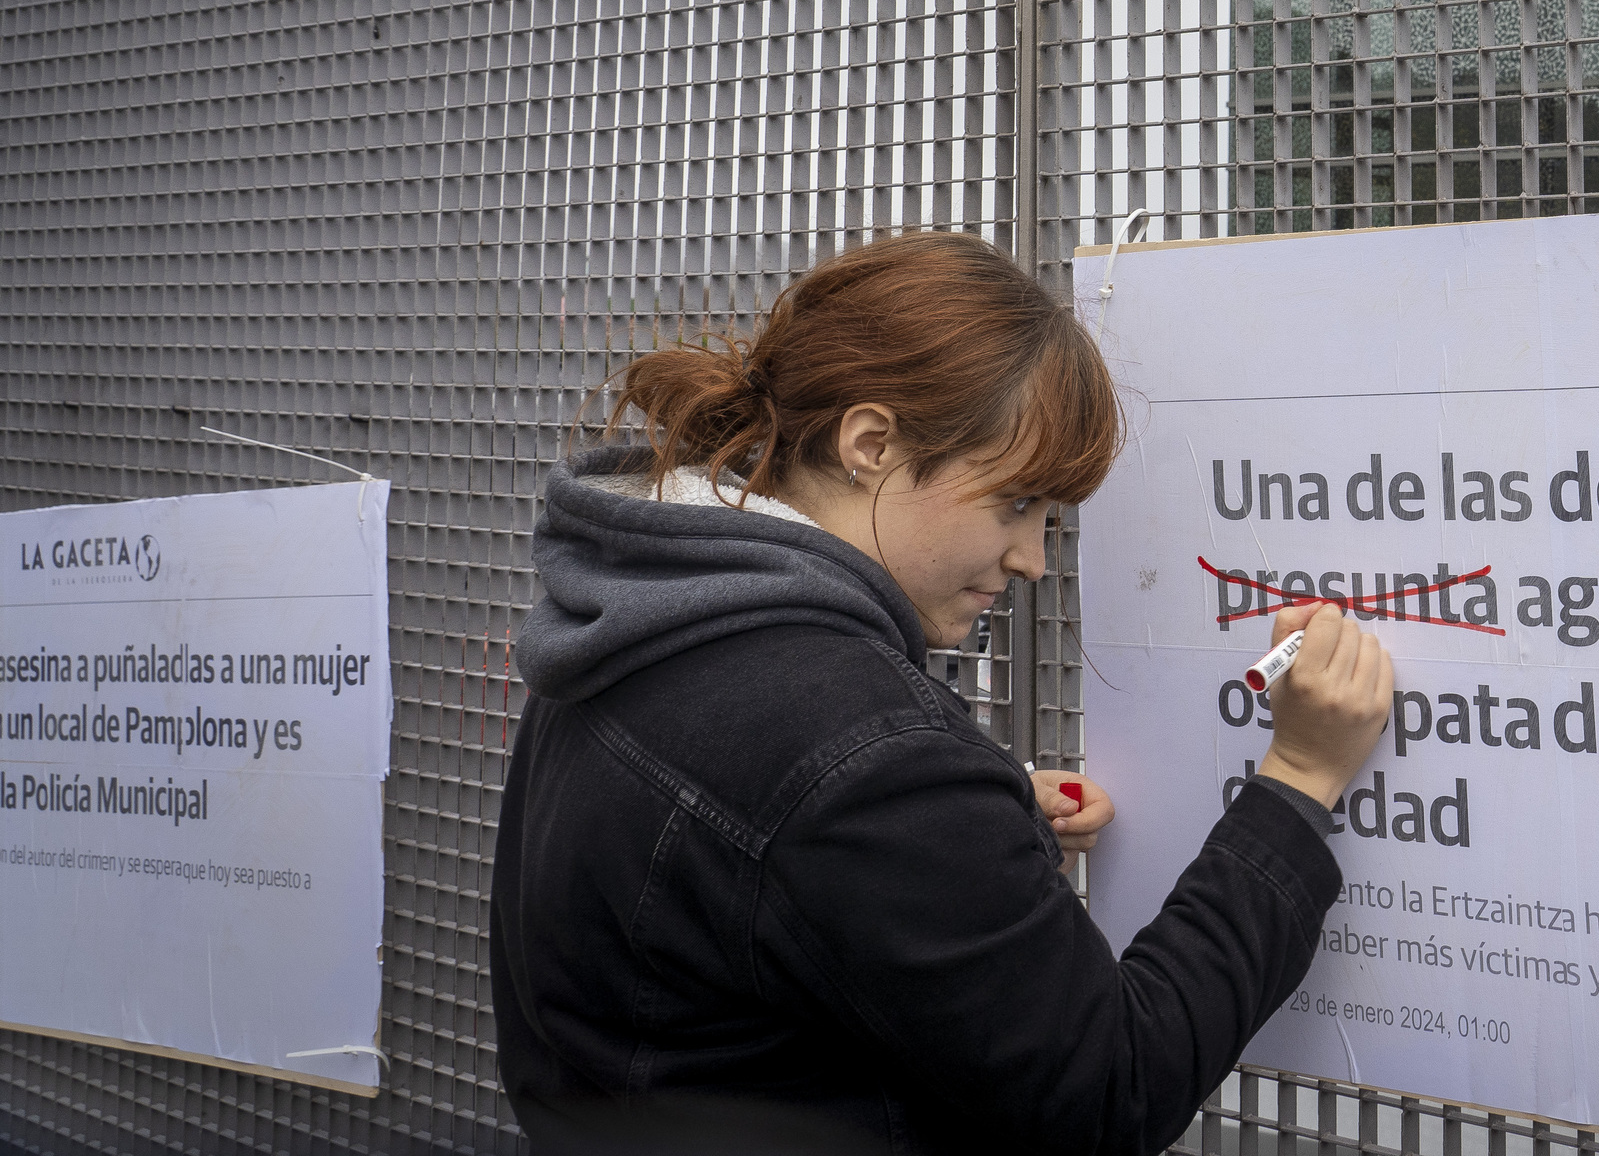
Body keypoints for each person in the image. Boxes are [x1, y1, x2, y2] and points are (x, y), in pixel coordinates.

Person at [491, 231, 1393, 1153]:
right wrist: (1297, 779)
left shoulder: (633, 613)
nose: (1032, 559)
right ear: (872, 444)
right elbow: (1114, 1086)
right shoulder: (863, 752)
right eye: (1015, 504)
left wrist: (966, 843)